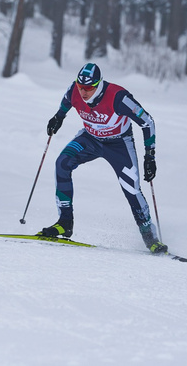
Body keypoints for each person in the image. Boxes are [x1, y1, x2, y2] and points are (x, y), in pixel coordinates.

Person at [38, 63, 168, 254]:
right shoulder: (74, 90)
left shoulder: (118, 97)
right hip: (90, 139)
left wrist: (150, 156)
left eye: (89, 88)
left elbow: (147, 122)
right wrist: (58, 117)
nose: (83, 92)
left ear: (98, 85)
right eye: (80, 87)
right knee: (62, 163)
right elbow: (66, 102)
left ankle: (150, 237)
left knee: (131, 188)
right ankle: (65, 222)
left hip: (119, 144)